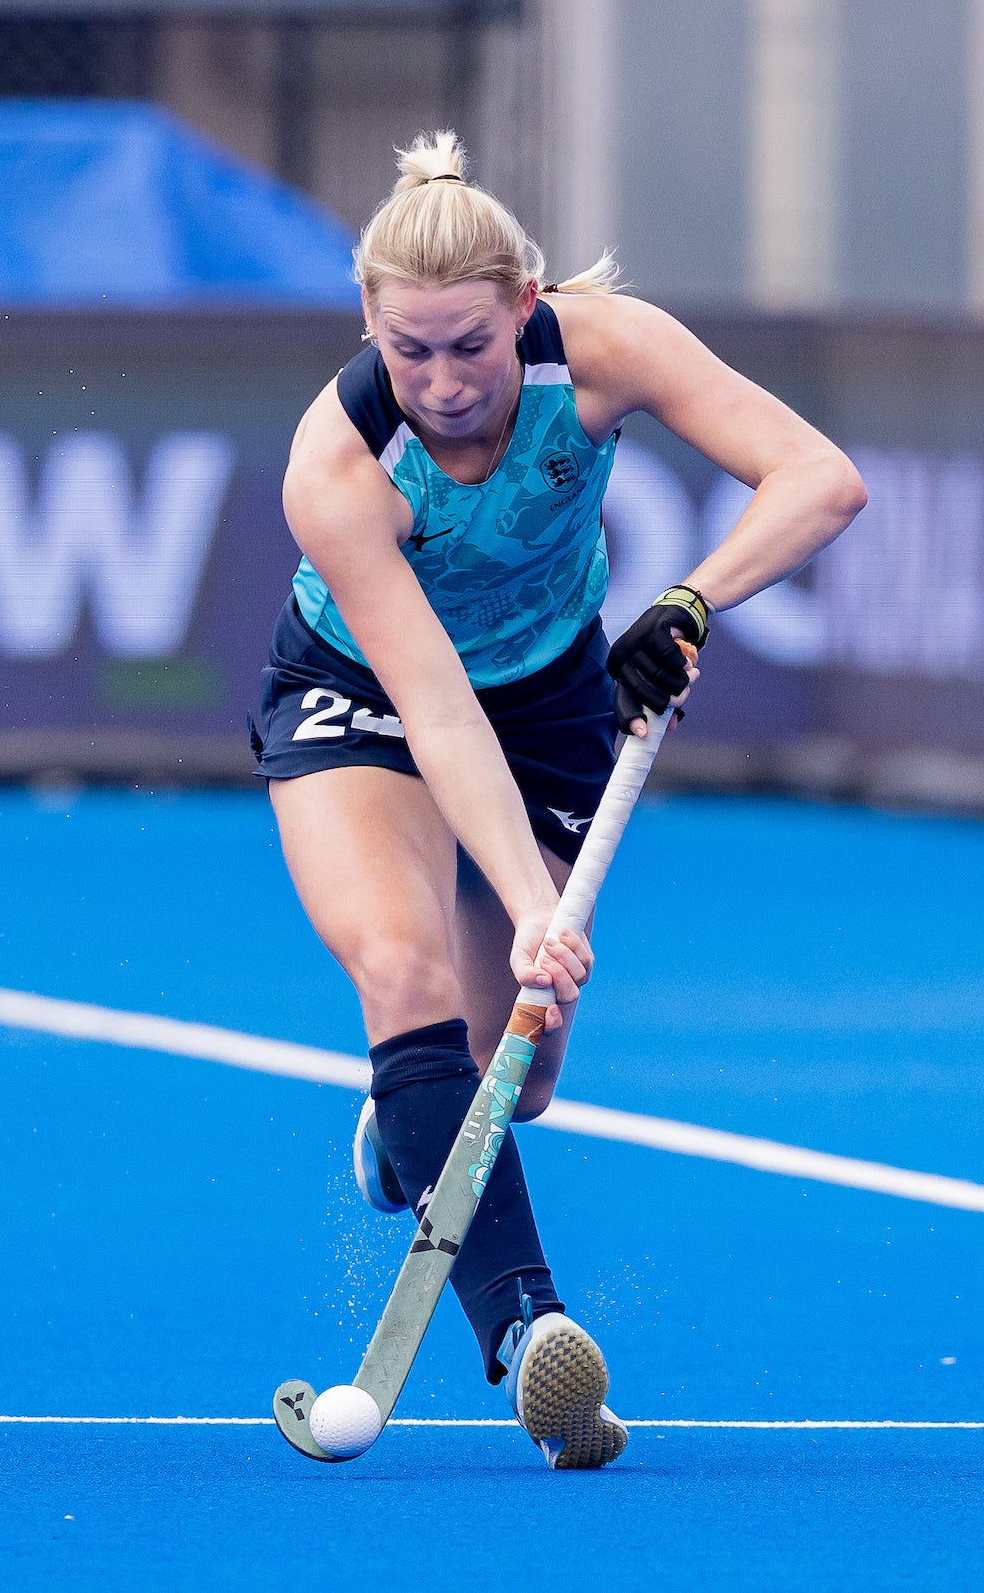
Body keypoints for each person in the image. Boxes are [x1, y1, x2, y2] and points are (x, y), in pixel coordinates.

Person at [251, 132, 865, 1469]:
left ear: (525, 307)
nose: (442, 383)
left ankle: (410, 1126)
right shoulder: (337, 469)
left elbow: (822, 479)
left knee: (516, 1078)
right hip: (366, 696)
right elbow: (435, 711)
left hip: (548, 698)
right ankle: (534, 1334)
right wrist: (536, 904)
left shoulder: (601, 353)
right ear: (369, 326)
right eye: (409, 352)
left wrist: (692, 598)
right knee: (401, 966)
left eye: (470, 346)